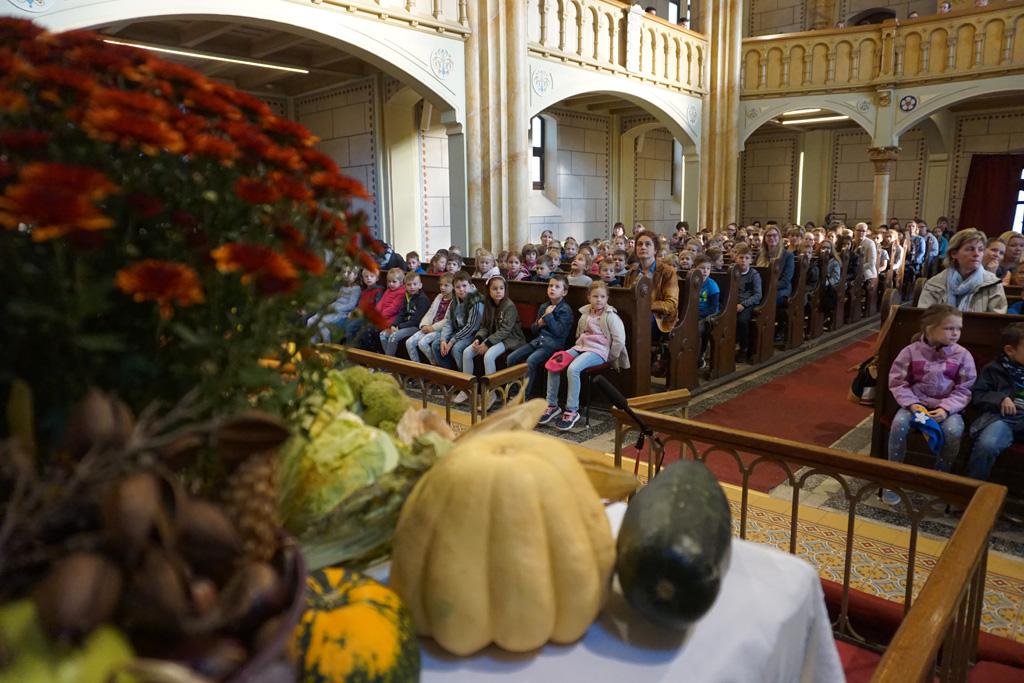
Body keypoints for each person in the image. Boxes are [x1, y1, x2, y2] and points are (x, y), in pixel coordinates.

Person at [882, 304, 977, 505]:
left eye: (958, 328)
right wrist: (913, 405)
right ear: (929, 328)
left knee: (953, 431)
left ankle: (940, 478)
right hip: (916, 405)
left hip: (947, 408)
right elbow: (898, 382)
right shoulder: (910, 352)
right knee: (898, 425)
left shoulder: (962, 355)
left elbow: (965, 388)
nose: (956, 333)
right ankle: (893, 477)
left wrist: (946, 409)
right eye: (949, 328)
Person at [538, 281, 629, 431]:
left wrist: (610, 358)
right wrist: (577, 347)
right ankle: (552, 405)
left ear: (607, 298)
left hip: (599, 351)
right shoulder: (585, 313)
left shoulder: (611, 316)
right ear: (588, 297)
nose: (599, 300)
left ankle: (572, 410)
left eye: (602, 297)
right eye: (595, 296)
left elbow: (619, 341)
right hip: (581, 347)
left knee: (573, 369)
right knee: (554, 363)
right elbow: (580, 333)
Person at [966, 322, 1024, 481]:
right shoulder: (993, 369)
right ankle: (973, 487)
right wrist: (1000, 398)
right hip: (1003, 418)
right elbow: (978, 394)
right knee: (987, 445)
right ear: (1010, 350)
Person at [506, 274, 573, 399]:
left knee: (530, 361)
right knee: (511, 358)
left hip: (553, 345)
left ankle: (524, 396)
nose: (552, 289)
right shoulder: (544, 306)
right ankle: (514, 392)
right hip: (538, 342)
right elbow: (533, 330)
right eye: (550, 286)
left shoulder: (565, 310)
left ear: (564, 292)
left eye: (557, 287)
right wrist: (539, 323)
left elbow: (559, 333)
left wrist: (548, 317)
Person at [466, 275, 527, 407]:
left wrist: (487, 344)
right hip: (494, 337)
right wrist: (478, 339)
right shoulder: (488, 304)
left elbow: (505, 331)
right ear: (488, 291)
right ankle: (468, 389)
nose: (498, 291)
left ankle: (491, 393)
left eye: (501, 288)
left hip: (511, 339)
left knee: (489, 356)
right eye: (494, 289)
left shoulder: (509, 306)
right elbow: (484, 326)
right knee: (467, 352)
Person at [918, 228, 1007, 313]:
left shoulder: (993, 284)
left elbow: (996, 320)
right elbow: (925, 318)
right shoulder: (935, 283)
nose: (977, 254)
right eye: (970, 249)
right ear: (954, 253)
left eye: (980, 249)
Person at [432, 271, 484, 378]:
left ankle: (463, 379)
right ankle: (449, 376)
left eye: (464, 286)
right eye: (457, 287)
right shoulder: (454, 300)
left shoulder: (476, 301)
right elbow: (449, 322)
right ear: (454, 288)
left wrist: (452, 341)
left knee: (457, 348)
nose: (461, 289)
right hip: (459, 331)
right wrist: (443, 340)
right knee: (436, 345)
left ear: (470, 285)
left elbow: (471, 327)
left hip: (473, 334)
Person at [379, 271, 431, 356]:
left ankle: (387, 361)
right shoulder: (406, 296)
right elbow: (401, 313)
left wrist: (399, 327)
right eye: (409, 284)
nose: (412, 287)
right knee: (383, 334)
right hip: (405, 325)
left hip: (416, 327)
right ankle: (391, 359)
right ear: (405, 286)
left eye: (415, 284)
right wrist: (394, 325)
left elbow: (416, 321)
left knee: (393, 336)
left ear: (420, 285)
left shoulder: (422, 299)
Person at [407, 273, 454, 364]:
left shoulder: (454, 300)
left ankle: (434, 364)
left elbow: (448, 320)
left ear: (453, 286)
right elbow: (430, 312)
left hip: (440, 330)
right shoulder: (439, 297)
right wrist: (424, 325)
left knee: (422, 343)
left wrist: (433, 327)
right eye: (441, 285)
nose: (442, 288)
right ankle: (416, 366)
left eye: (446, 285)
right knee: (409, 342)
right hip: (429, 326)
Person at [307, 265, 360, 343]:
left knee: (321, 324)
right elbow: (338, 300)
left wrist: (336, 308)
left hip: (340, 312)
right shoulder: (342, 287)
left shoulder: (356, 289)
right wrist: (330, 305)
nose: (345, 275)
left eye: (349, 273)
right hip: (332, 308)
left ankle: (327, 344)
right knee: (310, 320)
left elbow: (351, 305)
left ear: (355, 275)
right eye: (344, 272)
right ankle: (311, 343)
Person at [359, 267, 407, 349]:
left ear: (401, 282)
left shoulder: (401, 292)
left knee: (371, 329)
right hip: (381, 317)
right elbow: (381, 303)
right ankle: (366, 350)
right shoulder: (388, 290)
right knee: (364, 327)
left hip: (391, 319)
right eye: (389, 281)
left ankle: (373, 350)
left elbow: (394, 308)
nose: (391, 284)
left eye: (394, 282)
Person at [733, 243, 762, 364]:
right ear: (736, 258)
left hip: (748, 304)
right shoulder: (733, 272)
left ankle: (744, 349)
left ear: (751, 260)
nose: (743, 260)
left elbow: (758, 295)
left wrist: (743, 304)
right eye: (741, 257)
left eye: (746, 258)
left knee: (742, 320)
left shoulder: (754, 275)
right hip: (733, 303)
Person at [755, 224, 795, 305]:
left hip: (780, 289)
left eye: (774, 235)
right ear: (765, 238)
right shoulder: (759, 254)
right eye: (769, 235)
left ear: (779, 238)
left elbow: (785, 280)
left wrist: (768, 286)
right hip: (761, 287)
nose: (771, 238)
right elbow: (753, 271)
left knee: (768, 297)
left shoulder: (788, 255)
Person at [340, 267, 383, 342]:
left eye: (372, 276)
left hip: (367, 316)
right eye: (366, 277)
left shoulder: (379, 290)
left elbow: (378, 306)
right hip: (359, 313)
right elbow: (358, 304)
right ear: (363, 278)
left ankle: (349, 346)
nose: (369, 278)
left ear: (377, 278)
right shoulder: (363, 291)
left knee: (350, 327)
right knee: (345, 323)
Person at [694, 255, 721, 368]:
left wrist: (697, 315)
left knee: (698, 329)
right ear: (695, 268)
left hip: (708, 315)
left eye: (708, 268)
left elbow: (713, 308)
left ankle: (700, 356)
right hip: (693, 314)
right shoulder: (692, 282)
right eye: (702, 268)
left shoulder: (712, 286)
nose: (705, 271)